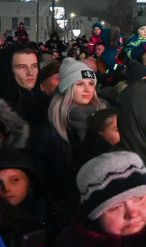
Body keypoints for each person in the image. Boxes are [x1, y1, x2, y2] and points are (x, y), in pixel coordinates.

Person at [34, 57, 107, 219]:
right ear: (67, 87)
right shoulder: (48, 130)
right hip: (66, 211)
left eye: (90, 84)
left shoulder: (104, 120)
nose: (87, 89)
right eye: (80, 84)